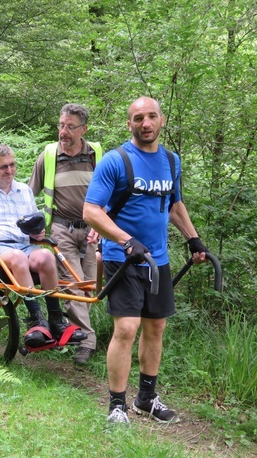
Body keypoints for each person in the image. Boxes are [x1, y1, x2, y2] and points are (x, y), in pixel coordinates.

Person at [84, 96, 208, 424]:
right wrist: (125, 240)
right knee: (126, 328)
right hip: (121, 257)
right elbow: (91, 211)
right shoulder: (115, 161)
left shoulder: (171, 161)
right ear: (129, 124)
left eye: (151, 116)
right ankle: (116, 405)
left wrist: (193, 238)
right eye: (138, 118)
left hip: (158, 259)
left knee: (156, 327)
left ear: (161, 120)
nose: (146, 123)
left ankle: (146, 399)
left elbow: (174, 205)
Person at [0, 144, 86, 348]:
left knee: (47, 256)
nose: (10, 171)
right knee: (18, 257)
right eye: (3, 167)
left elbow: (30, 223)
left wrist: (36, 232)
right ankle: (36, 320)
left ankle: (56, 321)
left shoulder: (23, 190)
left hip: (23, 244)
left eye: (12, 165)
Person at [29, 103, 102, 365]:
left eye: (70, 127)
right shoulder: (48, 155)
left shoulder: (97, 154)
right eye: (61, 125)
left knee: (91, 286)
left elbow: (109, 196)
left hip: (93, 232)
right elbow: (28, 195)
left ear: (84, 129)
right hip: (62, 230)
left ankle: (73, 331)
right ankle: (86, 343)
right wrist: (31, 226)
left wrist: (101, 225)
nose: (64, 132)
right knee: (74, 286)